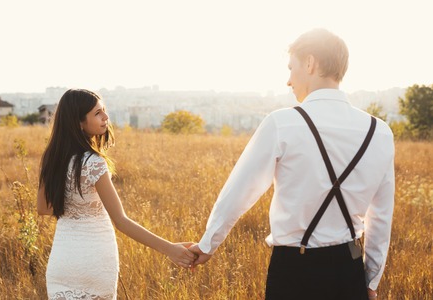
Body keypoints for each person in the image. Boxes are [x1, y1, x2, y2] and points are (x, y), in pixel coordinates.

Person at [189, 28, 394, 300]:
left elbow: (240, 192)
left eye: (291, 68)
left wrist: (207, 245)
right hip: (350, 269)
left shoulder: (282, 123)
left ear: (310, 63)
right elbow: (381, 217)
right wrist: (371, 280)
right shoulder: (379, 131)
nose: (288, 81)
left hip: (294, 270)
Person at [37, 89, 195, 299]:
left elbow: (44, 209)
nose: (106, 117)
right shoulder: (93, 163)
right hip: (95, 261)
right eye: (97, 113)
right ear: (79, 123)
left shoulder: (52, 159)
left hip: (62, 263)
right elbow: (120, 221)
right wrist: (170, 249)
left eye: (104, 111)